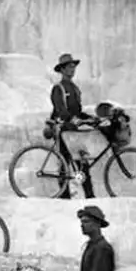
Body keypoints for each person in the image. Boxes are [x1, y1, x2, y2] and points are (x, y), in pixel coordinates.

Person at [50, 53, 96, 199]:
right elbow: (60, 109)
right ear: (62, 70)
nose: (73, 69)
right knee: (65, 163)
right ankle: (64, 196)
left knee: (82, 163)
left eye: (73, 66)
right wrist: (71, 119)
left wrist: (90, 118)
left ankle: (89, 195)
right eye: (69, 67)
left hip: (74, 131)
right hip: (64, 130)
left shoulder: (75, 89)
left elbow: (78, 111)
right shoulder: (59, 88)